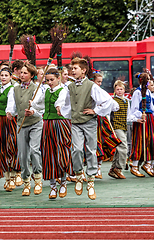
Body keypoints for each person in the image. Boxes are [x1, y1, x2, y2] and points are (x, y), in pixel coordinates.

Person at [62, 57, 113, 200]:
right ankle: (79, 175)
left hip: (89, 122)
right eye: (72, 68)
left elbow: (107, 100)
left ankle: (90, 180)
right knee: (76, 149)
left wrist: (95, 111)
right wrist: (64, 111)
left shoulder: (91, 85)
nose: (72, 71)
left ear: (83, 71)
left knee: (91, 150)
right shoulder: (69, 87)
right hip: (76, 122)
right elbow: (66, 103)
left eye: (75, 68)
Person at [31, 68, 72, 199]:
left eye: (52, 80)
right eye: (47, 80)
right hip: (47, 124)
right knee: (49, 154)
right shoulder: (47, 91)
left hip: (60, 124)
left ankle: (64, 182)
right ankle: (53, 186)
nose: (49, 83)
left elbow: (60, 101)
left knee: (62, 153)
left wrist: (59, 107)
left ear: (58, 78)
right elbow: (40, 104)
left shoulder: (63, 90)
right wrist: (33, 104)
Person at [6, 63, 44, 196]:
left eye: (25, 73)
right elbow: (12, 105)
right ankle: (26, 182)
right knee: (22, 155)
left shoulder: (37, 88)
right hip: (21, 124)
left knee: (34, 150)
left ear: (32, 75)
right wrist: (10, 112)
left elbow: (40, 106)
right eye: (21, 72)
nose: (22, 75)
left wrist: (32, 111)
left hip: (35, 123)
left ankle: (38, 180)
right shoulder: (14, 89)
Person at [127, 73, 154, 178]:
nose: (151, 84)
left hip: (150, 119)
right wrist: (139, 117)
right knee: (139, 142)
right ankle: (134, 166)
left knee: (153, 142)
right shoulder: (137, 93)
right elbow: (134, 109)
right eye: (149, 82)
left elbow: (152, 108)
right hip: (142, 120)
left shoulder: (148, 93)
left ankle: (147, 164)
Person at [0, 68, 19, 192]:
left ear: (10, 77)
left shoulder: (12, 88)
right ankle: (7, 178)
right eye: (1, 75)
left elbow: (11, 103)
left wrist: (9, 112)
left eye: (6, 75)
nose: (3, 77)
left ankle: (13, 175)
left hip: (8, 118)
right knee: (0, 147)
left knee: (11, 146)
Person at [109, 80, 130, 179]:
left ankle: (113, 169)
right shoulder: (113, 101)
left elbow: (128, 115)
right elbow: (109, 114)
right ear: (114, 90)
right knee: (123, 147)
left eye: (121, 89)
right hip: (116, 126)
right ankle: (119, 168)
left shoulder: (126, 101)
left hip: (123, 125)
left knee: (119, 148)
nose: (119, 91)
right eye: (117, 89)